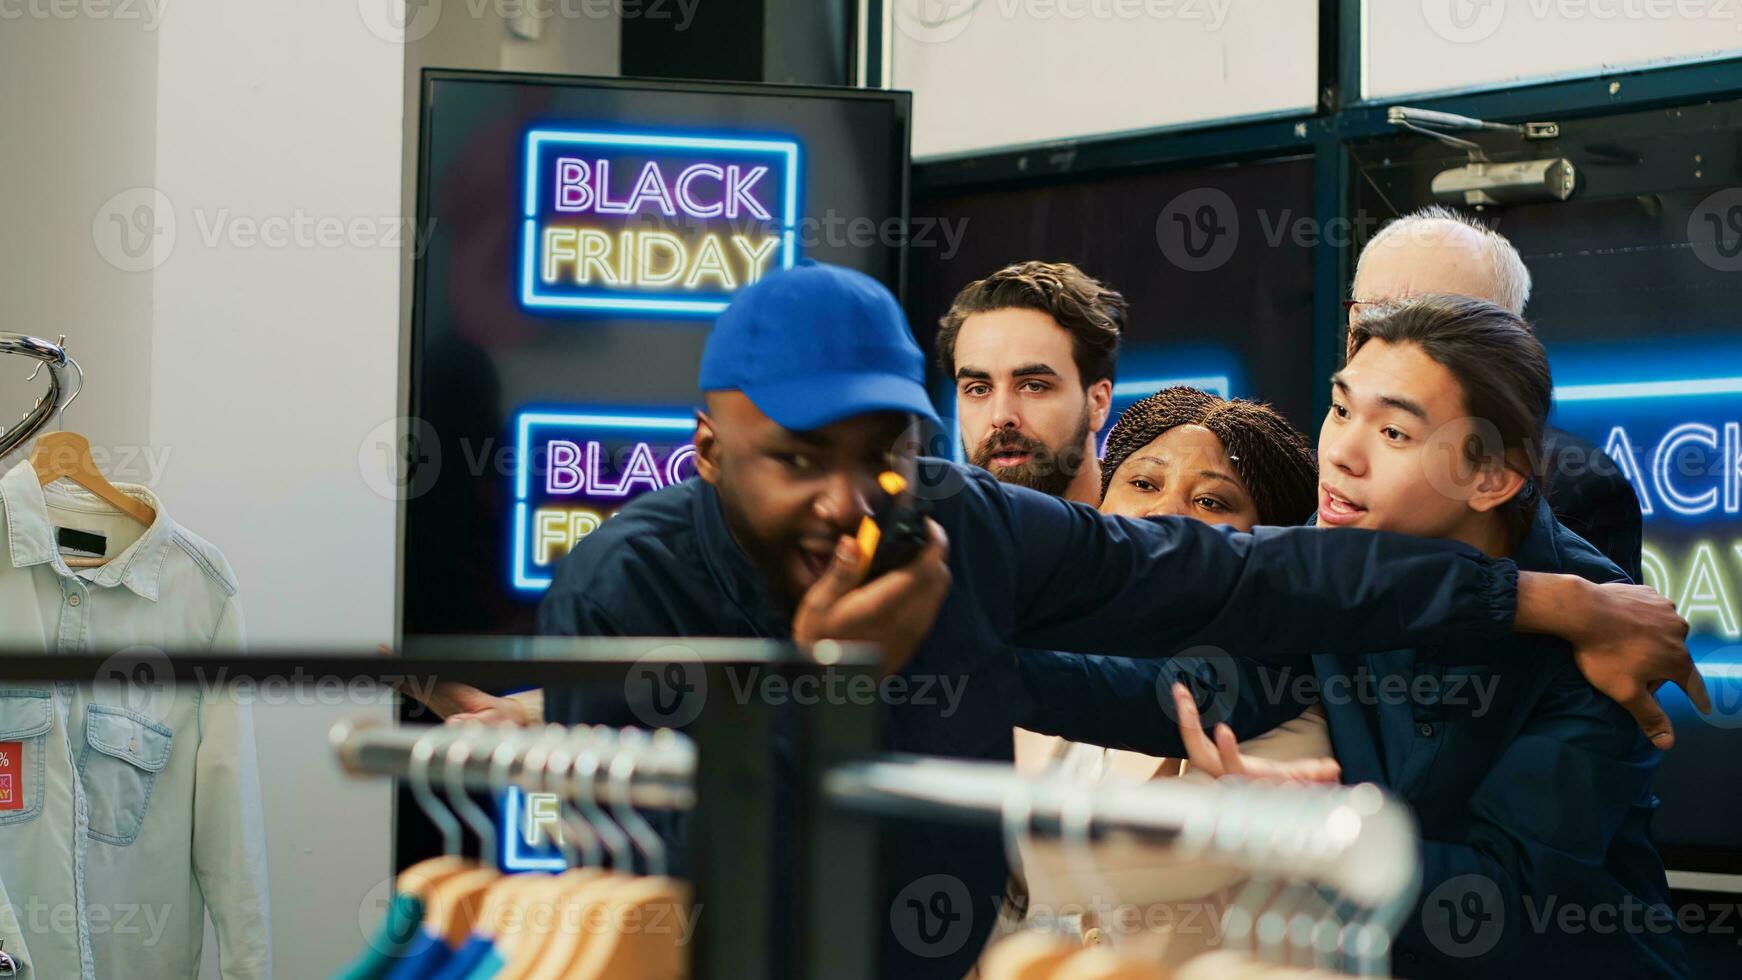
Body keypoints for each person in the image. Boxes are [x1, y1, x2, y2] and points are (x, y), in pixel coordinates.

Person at [431, 262, 1699, 980]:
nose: (842, 495)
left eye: (881, 450)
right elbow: (690, 894)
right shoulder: (621, 588)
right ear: (708, 447)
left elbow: (1243, 587)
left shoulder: (961, 522)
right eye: (795, 454)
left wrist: (1547, 598)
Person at [1171, 295, 1689, 977]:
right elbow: (1184, 673)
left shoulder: (1603, 633)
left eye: (1393, 434)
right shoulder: (1327, 546)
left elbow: (1500, 908)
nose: (1341, 455)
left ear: (1493, 477)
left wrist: (1314, 829)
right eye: (1341, 409)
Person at [1349, 205, 1644, 581]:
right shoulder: (1314, 468)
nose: (1390, 348)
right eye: (1370, 320)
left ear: (1507, 345)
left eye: (1430, 327)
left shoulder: (1574, 483)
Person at [938, 261, 1122, 502]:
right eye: (979, 389)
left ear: (1097, 403)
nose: (1001, 417)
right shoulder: (934, 535)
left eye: (1033, 386)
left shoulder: (1156, 532)